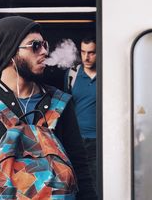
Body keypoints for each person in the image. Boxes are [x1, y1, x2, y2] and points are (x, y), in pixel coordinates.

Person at [0, 16, 96, 200]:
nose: (44, 51)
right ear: (10, 53)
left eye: (44, 44)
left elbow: (80, 170)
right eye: (35, 45)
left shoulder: (60, 102)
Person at [64, 36, 97, 196]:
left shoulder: (107, 75)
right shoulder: (73, 74)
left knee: (94, 186)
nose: (86, 57)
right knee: (74, 184)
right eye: (83, 52)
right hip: (77, 140)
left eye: (91, 53)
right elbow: (65, 105)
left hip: (99, 141)